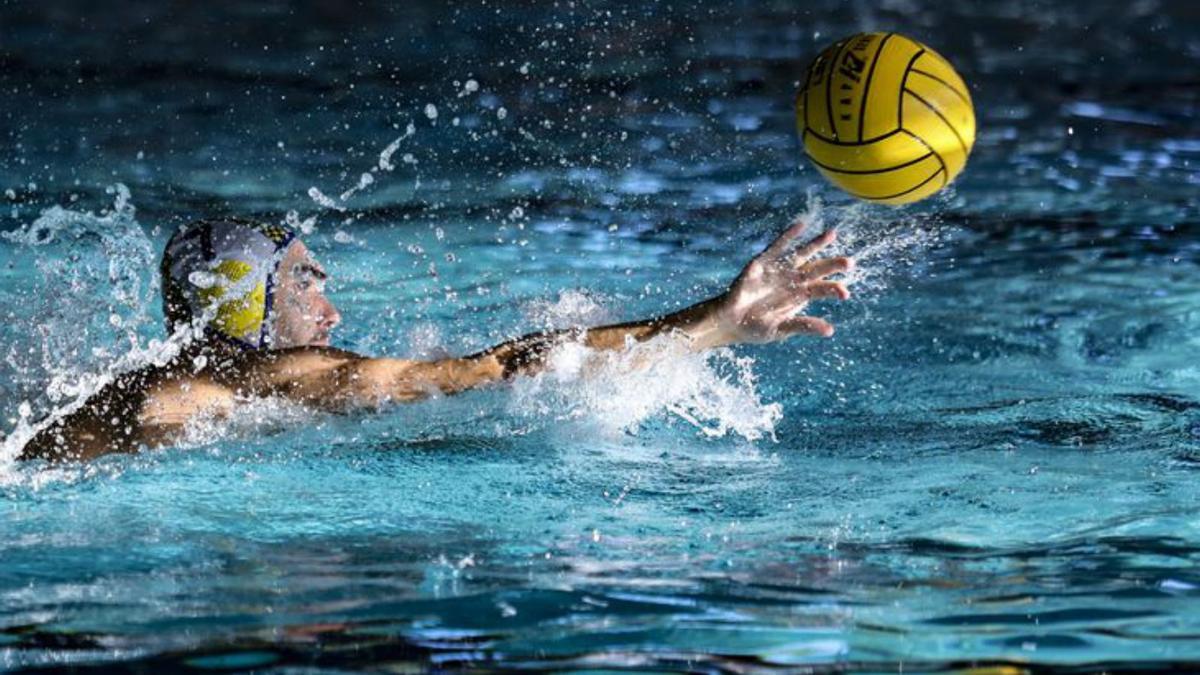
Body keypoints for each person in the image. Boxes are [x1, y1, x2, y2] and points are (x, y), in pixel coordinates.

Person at [18, 216, 854, 461]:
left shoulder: (130, 387)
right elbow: (504, 365)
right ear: (249, 312)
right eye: (307, 286)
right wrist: (712, 321)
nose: (332, 313)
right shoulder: (273, 381)